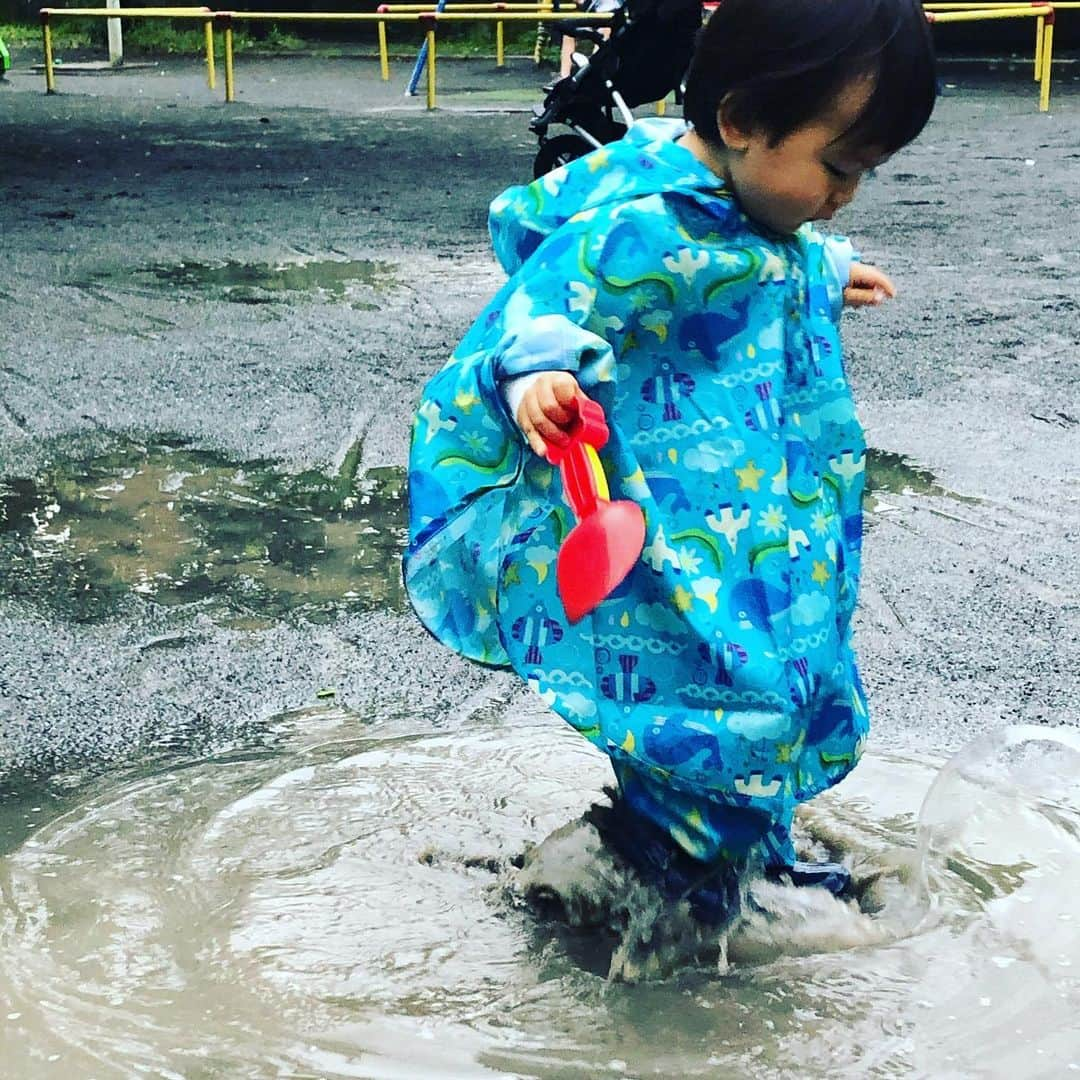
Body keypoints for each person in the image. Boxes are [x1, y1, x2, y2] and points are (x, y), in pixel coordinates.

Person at [405, 0, 937, 924]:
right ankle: (630, 894)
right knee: (723, 693)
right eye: (838, 167)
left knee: (777, 681)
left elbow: (760, 255)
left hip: (755, 530)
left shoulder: (751, 205)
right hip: (670, 541)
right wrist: (538, 380)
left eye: (864, 175)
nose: (844, 194)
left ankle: (743, 866)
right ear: (738, 122)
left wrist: (823, 267)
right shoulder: (642, 227)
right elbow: (541, 313)